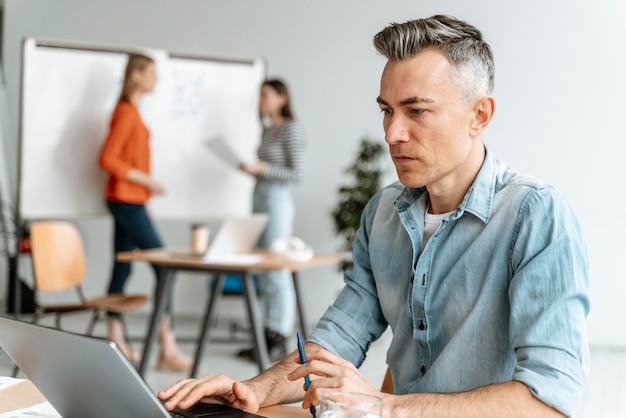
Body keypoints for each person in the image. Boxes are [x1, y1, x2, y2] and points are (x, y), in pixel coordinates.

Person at [158, 15, 590, 417]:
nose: (391, 133)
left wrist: (386, 407)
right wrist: (254, 389)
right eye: (387, 110)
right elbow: (336, 342)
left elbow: (550, 400)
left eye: (416, 111)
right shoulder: (383, 213)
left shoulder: (536, 215)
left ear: (479, 115)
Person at [99, 53, 192, 372]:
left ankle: (116, 343)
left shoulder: (132, 112)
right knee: (165, 268)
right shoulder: (126, 113)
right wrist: (147, 181)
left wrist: (144, 198)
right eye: (152, 72)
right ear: (136, 75)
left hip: (130, 201)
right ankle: (167, 347)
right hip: (126, 200)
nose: (157, 78)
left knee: (121, 269)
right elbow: (108, 159)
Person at [236, 79, 306, 362]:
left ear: (281, 97)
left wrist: (263, 167)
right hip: (259, 197)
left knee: (276, 267)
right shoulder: (267, 130)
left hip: (276, 200)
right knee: (263, 269)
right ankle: (266, 332)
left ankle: (280, 332)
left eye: (265, 94)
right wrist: (255, 171)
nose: (260, 99)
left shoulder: (292, 129)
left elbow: (296, 174)